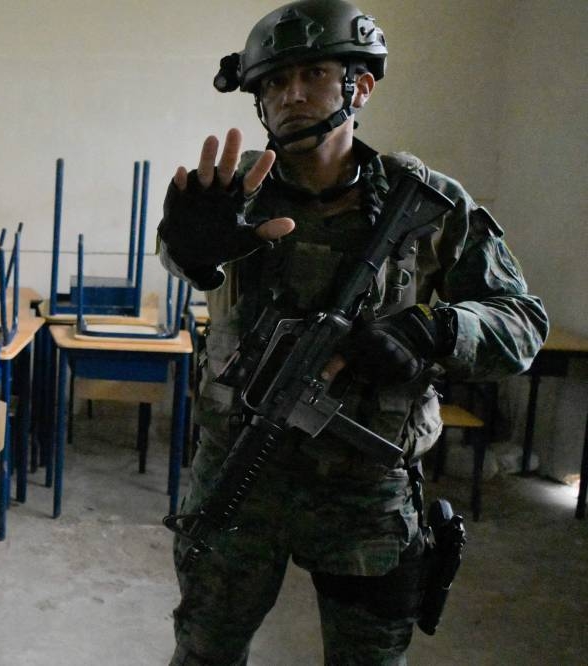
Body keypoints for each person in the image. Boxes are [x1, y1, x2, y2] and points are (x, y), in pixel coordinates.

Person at [157, 1, 549, 663]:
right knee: (204, 652)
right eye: (274, 83)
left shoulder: (427, 203)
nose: (291, 94)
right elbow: (190, 259)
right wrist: (188, 248)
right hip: (239, 474)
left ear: (359, 86)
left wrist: (435, 327)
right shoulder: (238, 192)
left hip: (365, 491)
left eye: (312, 73)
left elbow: (521, 323)